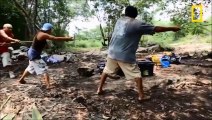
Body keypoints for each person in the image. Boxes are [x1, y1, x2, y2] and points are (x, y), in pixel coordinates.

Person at [97, 6, 180, 101]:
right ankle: (141, 96)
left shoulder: (119, 20)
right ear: (136, 14)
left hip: (112, 52)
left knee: (106, 70)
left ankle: (99, 89)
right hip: (125, 55)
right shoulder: (137, 24)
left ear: (125, 13)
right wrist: (172, 28)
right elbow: (156, 28)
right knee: (136, 74)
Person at [18, 23, 74, 89]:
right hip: (34, 54)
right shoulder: (43, 34)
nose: (51, 31)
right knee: (44, 69)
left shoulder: (41, 34)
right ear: (49, 29)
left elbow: (45, 44)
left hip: (32, 53)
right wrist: (66, 38)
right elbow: (54, 38)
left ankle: (21, 80)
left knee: (30, 68)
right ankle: (48, 86)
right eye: (51, 30)